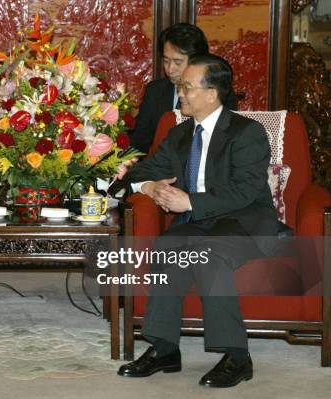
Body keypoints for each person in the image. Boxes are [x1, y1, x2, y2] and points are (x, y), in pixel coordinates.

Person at [117, 54, 280, 387]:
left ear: (212, 93)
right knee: (167, 247)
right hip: (199, 225)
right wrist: (149, 186)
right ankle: (164, 349)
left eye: (187, 87)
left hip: (244, 223)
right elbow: (139, 173)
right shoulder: (179, 134)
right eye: (180, 87)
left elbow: (245, 191)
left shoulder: (246, 132)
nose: (181, 95)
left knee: (209, 254)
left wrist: (189, 201)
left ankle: (237, 355)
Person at [130, 23, 237, 153]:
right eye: (166, 61)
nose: (170, 69)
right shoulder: (155, 91)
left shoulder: (216, 93)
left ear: (196, 62)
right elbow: (139, 141)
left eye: (178, 62)